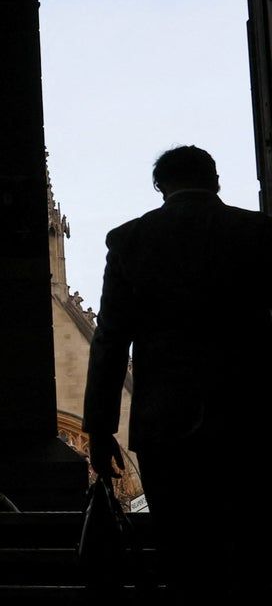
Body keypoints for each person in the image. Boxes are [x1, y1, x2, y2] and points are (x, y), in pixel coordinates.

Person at [84, 145, 272, 599]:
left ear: (160, 187)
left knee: (182, 548)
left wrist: (100, 429)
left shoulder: (130, 240)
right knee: (248, 542)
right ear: (215, 180)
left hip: (165, 422)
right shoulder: (259, 233)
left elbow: (110, 341)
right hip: (248, 415)